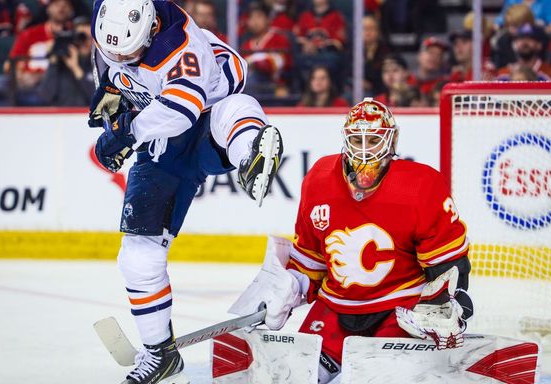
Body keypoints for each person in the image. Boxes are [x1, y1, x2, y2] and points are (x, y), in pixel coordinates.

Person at [89, 0, 284, 383]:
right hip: (161, 146)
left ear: (149, 30)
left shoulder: (179, 45)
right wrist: (112, 107)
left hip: (206, 118)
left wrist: (126, 134)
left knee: (239, 108)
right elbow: (116, 79)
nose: (117, 56)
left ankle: (249, 156)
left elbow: (180, 113)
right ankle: (160, 352)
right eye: (110, 49)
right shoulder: (112, 16)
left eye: (127, 51)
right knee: (137, 256)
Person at [246, 98, 473, 383]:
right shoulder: (318, 179)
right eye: (356, 139)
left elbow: (449, 264)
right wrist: (291, 287)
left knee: (373, 379)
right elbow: (311, 257)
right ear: (345, 139)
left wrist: (446, 304)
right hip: (335, 307)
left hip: (398, 309)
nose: (365, 149)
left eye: (374, 140)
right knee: (295, 378)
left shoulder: (420, 186)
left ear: (391, 142)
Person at [37, 16, 95, 106]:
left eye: (89, 38)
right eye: (81, 37)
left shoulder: (97, 65)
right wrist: (53, 62)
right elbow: (45, 96)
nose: (85, 42)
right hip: (60, 117)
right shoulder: (61, 63)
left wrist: (76, 69)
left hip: (86, 116)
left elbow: (97, 99)